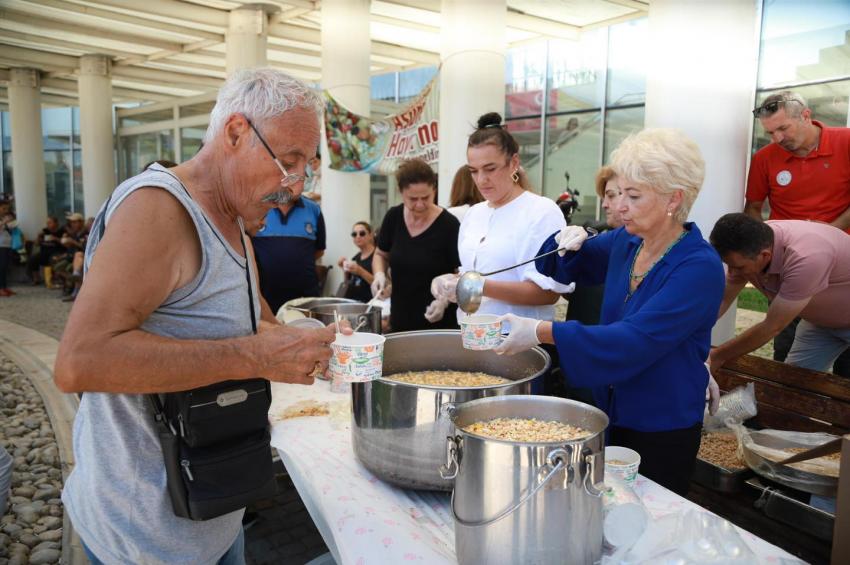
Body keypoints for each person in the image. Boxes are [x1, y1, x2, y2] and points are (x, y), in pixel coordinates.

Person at [54, 68, 344, 565]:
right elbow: (79, 362)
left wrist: (305, 345)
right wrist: (253, 356)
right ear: (235, 133)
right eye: (288, 162)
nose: (294, 187)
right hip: (142, 536)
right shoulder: (159, 209)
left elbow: (259, 324)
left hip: (213, 512)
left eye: (306, 167)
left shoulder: (234, 222)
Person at [493, 128, 725, 496]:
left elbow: (634, 340)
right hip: (609, 408)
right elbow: (563, 265)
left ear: (673, 199)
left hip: (660, 421)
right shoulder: (628, 241)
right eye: (619, 195)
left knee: (649, 517)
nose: (619, 207)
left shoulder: (698, 267)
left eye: (634, 196)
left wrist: (540, 332)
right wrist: (563, 241)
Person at [431, 112, 571, 340]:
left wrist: (476, 285)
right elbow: (472, 272)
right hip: (471, 332)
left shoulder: (540, 212)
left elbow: (547, 293)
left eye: (490, 168)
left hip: (516, 338)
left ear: (514, 163)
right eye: (473, 171)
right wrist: (450, 285)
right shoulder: (474, 214)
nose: (481, 179)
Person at [746, 91, 850, 373]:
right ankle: (783, 413)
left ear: (806, 116)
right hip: (788, 267)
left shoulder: (846, 141)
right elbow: (753, 209)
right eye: (770, 132)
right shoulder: (765, 158)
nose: (777, 139)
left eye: (782, 128)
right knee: (787, 352)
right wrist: (765, 265)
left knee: (845, 366)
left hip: (841, 271)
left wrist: (829, 233)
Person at [708, 214, 850, 377]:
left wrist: (718, 356)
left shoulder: (806, 257)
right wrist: (689, 332)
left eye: (739, 267)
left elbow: (772, 327)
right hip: (821, 324)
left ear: (765, 256)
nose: (732, 272)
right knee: (795, 383)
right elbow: (723, 299)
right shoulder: (752, 242)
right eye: (729, 265)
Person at [371, 158, 460, 332]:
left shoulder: (449, 225)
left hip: (439, 324)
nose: (420, 204)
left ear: (434, 190)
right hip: (400, 319)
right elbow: (380, 254)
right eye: (412, 199)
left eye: (426, 197)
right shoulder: (393, 217)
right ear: (400, 192)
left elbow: (460, 274)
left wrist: (443, 300)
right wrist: (379, 274)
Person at [251, 150, 326, 314]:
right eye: (293, 179)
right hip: (265, 297)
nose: (297, 185)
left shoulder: (314, 210)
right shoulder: (260, 208)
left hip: (305, 297)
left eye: (301, 179)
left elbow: (319, 250)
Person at [337, 221, 375, 303]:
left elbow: (381, 284)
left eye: (362, 233)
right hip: (353, 302)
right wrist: (345, 270)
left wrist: (360, 271)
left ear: (370, 235)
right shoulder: (356, 258)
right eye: (354, 234)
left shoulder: (377, 256)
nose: (357, 236)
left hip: (370, 303)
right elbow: (348, 282)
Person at [26, 216, 65, 286]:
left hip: (56, 252)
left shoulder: (61, 231)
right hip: (43, 253)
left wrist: (56, 239)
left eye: (50, 222)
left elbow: (65, 243)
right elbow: (36, 244)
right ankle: (36, 279)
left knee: (53, 259)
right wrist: (38, 237)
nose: (48, 224)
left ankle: (56, 279)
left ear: (56, 223)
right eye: (47, 223)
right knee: (33, 258)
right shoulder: (45, 231)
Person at [0, 200, 21, 297]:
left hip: (7, 244)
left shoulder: (4, 218)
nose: (5, 211)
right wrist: (4, 223)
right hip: (1, 245)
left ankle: (4, 287)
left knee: (5, 267)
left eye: (7, 209)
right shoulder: (3, 219)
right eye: (3, 208)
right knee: (1, 267)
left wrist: (12, 224)